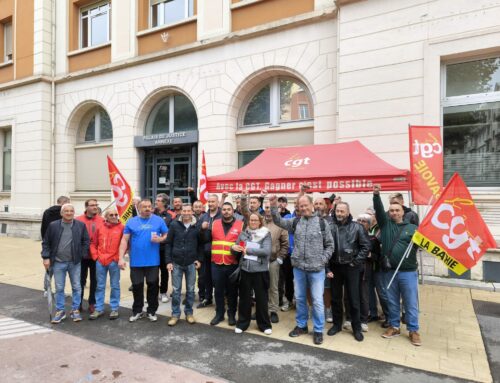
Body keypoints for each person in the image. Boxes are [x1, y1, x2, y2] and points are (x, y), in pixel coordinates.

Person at [269, 194, 334, 345]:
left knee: (317, 301)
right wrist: (273, 205)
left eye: (305, 205)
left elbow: (330, 245)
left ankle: (318, 330)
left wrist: (322, 260)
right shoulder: (296, 221)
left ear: (312, 206)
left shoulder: (323, 223)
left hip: (317, 270)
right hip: (299, 269)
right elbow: (278, 221)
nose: (303, 208)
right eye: (300, 206)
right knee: (299, 299)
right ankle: (302, 325)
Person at [373, 185, 421, 346]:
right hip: (390, 272)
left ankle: (413, 330)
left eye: (397, 210)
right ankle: (394, 326)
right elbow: (378, 209)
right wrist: (376, 195)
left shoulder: (413, 229)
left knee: (410, 302)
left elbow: (424, 245)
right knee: (392, 301)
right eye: (391, 210)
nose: (394, 212)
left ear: (403, 212)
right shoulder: (386, 225)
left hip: (408, 272)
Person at [119, 199, 168, 323]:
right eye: (144, 207)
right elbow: (124, 240)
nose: (147, 208)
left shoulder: (158, 220)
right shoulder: (131, 221)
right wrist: (120, 258)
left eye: (149, 206)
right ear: (139, 208)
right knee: (137, 286)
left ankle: (151, 311)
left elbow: (167, 235)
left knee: (153, 286)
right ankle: (137, 311)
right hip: (136, 261)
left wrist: (160, 239)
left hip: (153, 261)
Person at [327, 202, 369, 342]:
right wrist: (327, 267)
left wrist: (355, 262)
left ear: (348, 212)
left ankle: (356, 328)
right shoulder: (330, 227)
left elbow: (365, 247)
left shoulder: (357, 227)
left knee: (353, 299)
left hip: (352, 267)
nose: (339, 214)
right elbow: (325, 247)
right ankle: (337, 325)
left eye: (342, 211)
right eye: (337, 211)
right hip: (335, 267)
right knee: (335, 298)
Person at [41, 204, 89, 323]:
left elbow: (86, 241)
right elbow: (46, 243)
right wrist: (46, 257)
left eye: (71, 211)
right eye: (66, 211)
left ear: (74, 212)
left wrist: (82, 254)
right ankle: (60, 311)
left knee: (77, 287)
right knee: (59, 288)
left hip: (75, 263)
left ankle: (75, 310)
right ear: (61, 213)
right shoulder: (53, 226)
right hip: (58, 262)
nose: (69, 213)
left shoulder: (80, 225)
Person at [201, 202, 243, 326]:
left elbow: (243, 243)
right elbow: (206, 239)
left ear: (233, 211)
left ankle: (231, 315)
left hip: (233, 263)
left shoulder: (240, 224)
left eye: (228, 209)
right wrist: (203, 230)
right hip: (217, 263)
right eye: (224, 209)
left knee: (232, 292)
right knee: (218, 291)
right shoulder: (214, 223)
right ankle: (219, 314)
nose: (226, 211)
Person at [232, 212, 272, 334]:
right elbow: (236, 248)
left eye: (256, 220)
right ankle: (242, 323)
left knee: (261, 299)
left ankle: (264, 325)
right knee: (244, 298)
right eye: (251, 220)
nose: (253, 222)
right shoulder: (244, 234)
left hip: (260, 271)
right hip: (245, 269)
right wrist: (233, 248)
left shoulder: (266, 233)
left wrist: (248, 250)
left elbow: (266, 251)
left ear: (260, 221)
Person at [165, 204, 203, 326]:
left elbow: (200, 245)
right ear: (181, 212)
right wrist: (168, 261)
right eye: (184, 210)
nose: (186, 213)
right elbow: (168, 244)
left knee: (191, 290)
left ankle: (189, 313)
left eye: (188, 210)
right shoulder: (174, 225)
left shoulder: (196, 226)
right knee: (176, 291)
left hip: (191, 263)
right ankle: (175, 314)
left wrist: (199, 259)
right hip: (176, 262)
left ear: (192, 212)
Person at [89, 208, 124, 320]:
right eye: (111, 215)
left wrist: (118, 258)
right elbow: (93, 243)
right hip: (100, 261)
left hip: (114, 261)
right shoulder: (100, 227)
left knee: (115, 285)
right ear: (106, 217)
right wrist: (95, 256)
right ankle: (99, 309)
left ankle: (114, 309)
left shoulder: (122, 228)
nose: (114, 217)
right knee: (100, 286)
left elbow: (125, 244)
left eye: (116, 215)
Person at [261, 200, 288, 324]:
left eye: (271, 207)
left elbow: (285, 244)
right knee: (260, 286)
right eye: (266, 207)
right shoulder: (259, 221)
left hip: (273, 260)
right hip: (259, 260)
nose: (268, 209)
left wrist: (280, 258)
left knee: (273, 287)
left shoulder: (281, 223)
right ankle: (261, 310)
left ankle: (273, 311)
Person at [76, 199, 104, 314]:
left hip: (96, 256)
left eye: (96, 205)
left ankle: (92, 303)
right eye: (92, 205)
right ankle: (78, 303)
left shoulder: (102, 220)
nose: (95, 207)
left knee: (95, 281)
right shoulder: (78, 220)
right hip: (81, 256)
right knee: (80, 281)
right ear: (86, 207)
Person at [197, 194, 221, 308]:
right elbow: (197, 235)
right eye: (209, 202)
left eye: (213, 202)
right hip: (205, 252)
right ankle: (207, 298)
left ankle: (220, 300)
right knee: (206, 276)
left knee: (218, 278)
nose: (211, 204)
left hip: (219, 252)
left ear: (217, 202)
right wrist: (202, 228)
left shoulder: (222, 215)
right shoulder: (203, 217)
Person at [314, 197, 334, 324]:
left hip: (326, 260)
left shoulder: (331, 221)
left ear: (326, 206)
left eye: (320, 204)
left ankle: (328, 310)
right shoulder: (309, 220)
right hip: (311, 260)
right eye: (315, 204)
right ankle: (313, 310)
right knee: (310, 288)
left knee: (326, 287)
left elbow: (331, 243)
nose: (317, 206)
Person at [279, 199, 299, 311]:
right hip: (288, 254)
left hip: (300, 256)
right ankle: (289, 300)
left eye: (299, 204)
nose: (297, 206)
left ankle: (299, 302)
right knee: (288, 279)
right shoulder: (287, 218)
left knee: (300, 280)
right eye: (295, 204)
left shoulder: (307, 219)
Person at [154, 193, 174, 303]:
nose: (156, 202)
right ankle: (154, 292)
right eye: (156, 200)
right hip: (152, 248)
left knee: (164, 272)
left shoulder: (171, 215)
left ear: (164, 202)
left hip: (164, 248)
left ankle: (163, 292)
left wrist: (163, 238)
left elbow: (171, 232)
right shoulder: (152, 213)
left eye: (158, 200)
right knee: (152, 272)